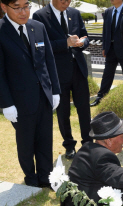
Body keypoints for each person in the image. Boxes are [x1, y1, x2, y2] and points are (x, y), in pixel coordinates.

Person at [0, 0, 61, 187]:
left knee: (45, 138)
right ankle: (31, 179)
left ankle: (46, 176)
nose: (23, 12)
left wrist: (56, 91)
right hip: (19, 100)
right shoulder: (1, 31)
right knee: (26, 143)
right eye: (17, 8)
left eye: (26, 6)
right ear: (3, 7)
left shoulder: (38, 27)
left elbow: (49, 61)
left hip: (43, 95)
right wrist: (6, 103)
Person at [33, 0, 92, 159]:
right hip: (58, 73)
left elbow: (85, 35)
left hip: (78, 69)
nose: (66, 2)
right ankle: (69, 145)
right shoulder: (40, 16)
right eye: (63, 0)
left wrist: (82, 42)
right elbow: (39, 45)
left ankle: (87, 142)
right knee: (63, 111)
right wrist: (65, 43)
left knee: (84, 108)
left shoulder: (75, 13)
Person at [90, 0, 123, 107]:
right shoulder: (107, 11)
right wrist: (104, 47)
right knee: (107, 74)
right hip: (110, 49)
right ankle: (100, 97)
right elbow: (105, 30)